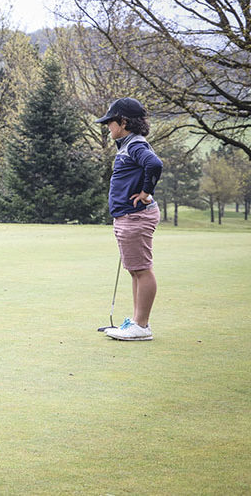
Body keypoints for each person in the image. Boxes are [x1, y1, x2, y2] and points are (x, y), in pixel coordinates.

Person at [96, 98, 162, 341]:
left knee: (142, 270)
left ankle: (141, 326)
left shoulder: (135, 145)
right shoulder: (128, 145)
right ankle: (136, 322)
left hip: (135, 216)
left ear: (123, 122)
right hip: (128, 216)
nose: (108, 127)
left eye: (110, 122)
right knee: (136, 271)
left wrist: (145, 192)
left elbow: (154, 164)